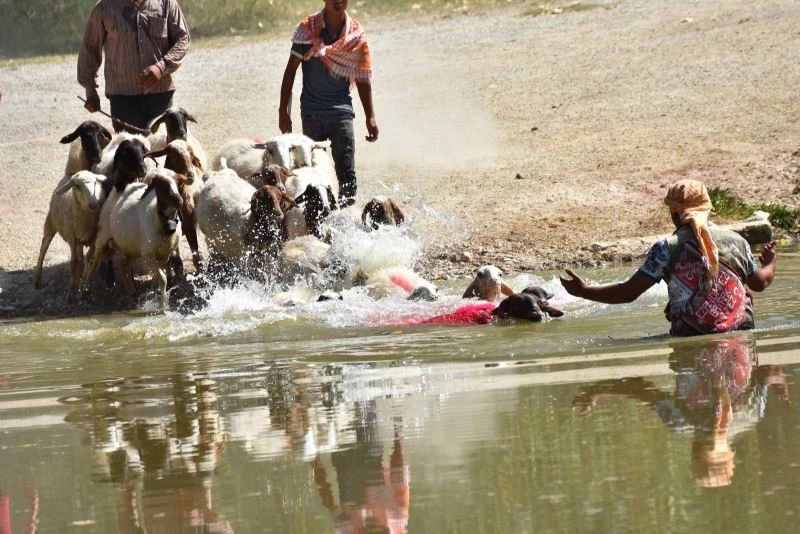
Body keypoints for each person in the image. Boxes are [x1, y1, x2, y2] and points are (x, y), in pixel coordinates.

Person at [560, 179, 777, 336]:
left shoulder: (666, 248)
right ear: (708, 210)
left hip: (690, 336)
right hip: (741, 336)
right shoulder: (737, 241)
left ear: (674, 214)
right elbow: (760, 282)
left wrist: (584, 291)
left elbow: (628, 293)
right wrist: (770, 262)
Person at [278, 0, 379, 208]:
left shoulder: (356, 35)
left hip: (341, 111)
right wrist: (283, 111)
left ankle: (346, 218)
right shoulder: (307, 30)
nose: (338, 1)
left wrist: (370, 116)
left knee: (346, 171)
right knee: (314, 172)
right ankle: (320, 219)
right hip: (312, 113)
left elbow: (362, 77)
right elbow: (290, 72)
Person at [77, 0, 191, 133]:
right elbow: (90, 50)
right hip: (123, 101)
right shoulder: (104, 7)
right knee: (131, 151)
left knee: (161, 148)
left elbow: (183, 39)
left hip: (161, 96)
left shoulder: (166, 3)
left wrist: (161, 67)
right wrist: (90, 91)